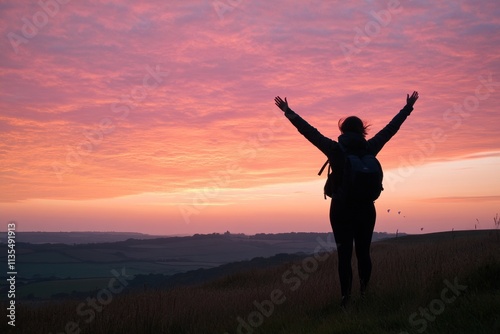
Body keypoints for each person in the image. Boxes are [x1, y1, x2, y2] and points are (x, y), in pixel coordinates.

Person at [274, 92, 419, 307]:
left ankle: (346, 301)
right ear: (363, 131)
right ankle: (365, 295)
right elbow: (390, 130)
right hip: (366, 209)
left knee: (344, 255)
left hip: (341, 209)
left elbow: (309, 132)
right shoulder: (370, 148)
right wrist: (407, 108)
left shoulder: (335, 149)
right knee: (363, 254)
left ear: (342, 130)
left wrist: (288, 112)